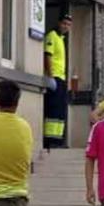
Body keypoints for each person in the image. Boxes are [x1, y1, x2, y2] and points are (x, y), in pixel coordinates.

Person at [43, 14, 73, 149]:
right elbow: (47, 56)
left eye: (68, 25)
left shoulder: (61, 39)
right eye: (64, 23)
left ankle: (57, 139)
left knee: (60, 110)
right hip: (54, 77)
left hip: (61, 78)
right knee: (53, 109)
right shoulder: (52, 36)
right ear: (59, 23)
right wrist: (49, 76)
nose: (66, 26)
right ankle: (50, 140)